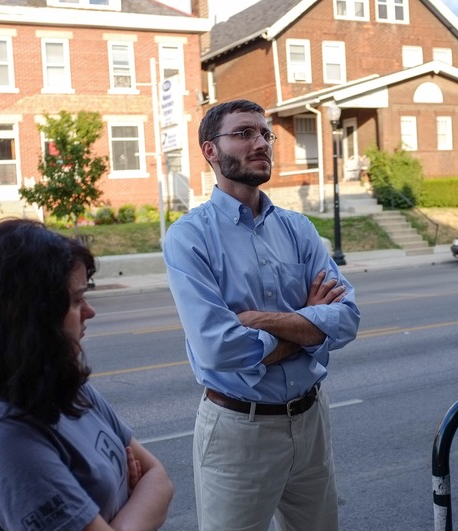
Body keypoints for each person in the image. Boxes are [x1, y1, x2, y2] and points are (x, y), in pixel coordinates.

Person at [163, 99, 361, 531]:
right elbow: (218, 348)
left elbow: (347, 318)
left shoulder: (298, 228)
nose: (261, 143)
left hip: (311, 419)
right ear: (210, 150)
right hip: (239, 429)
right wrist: (309, 322)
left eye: (264, 133)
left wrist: (261, 321)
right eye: (243, 133)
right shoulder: (189, 238)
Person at [0, 219, 173, 531]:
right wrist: (132, 499)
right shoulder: (3, 438)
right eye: (76, 300)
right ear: (32, 316)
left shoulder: (68, 387)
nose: (90, 312)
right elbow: (150, 489)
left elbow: (158, 478)